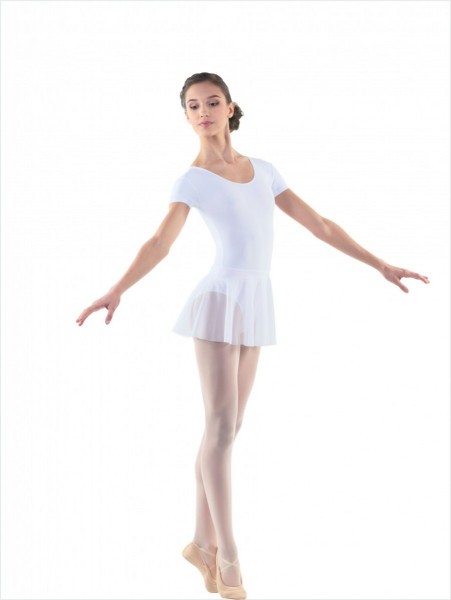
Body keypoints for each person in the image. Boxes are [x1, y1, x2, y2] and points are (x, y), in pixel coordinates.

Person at [75, 72, 429, 600]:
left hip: (256, 299)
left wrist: (379, 263)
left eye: (212, 102)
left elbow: (320, 224)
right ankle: (229, 557)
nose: (203, 112)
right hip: (220, 300)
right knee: (220, 429)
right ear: (186, 116)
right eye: (193, 106)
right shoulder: (192, 180)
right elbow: (159, 242)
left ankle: (201, 542)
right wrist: (116, 289)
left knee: (227, 428)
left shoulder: (263, 170)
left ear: (230, 107)